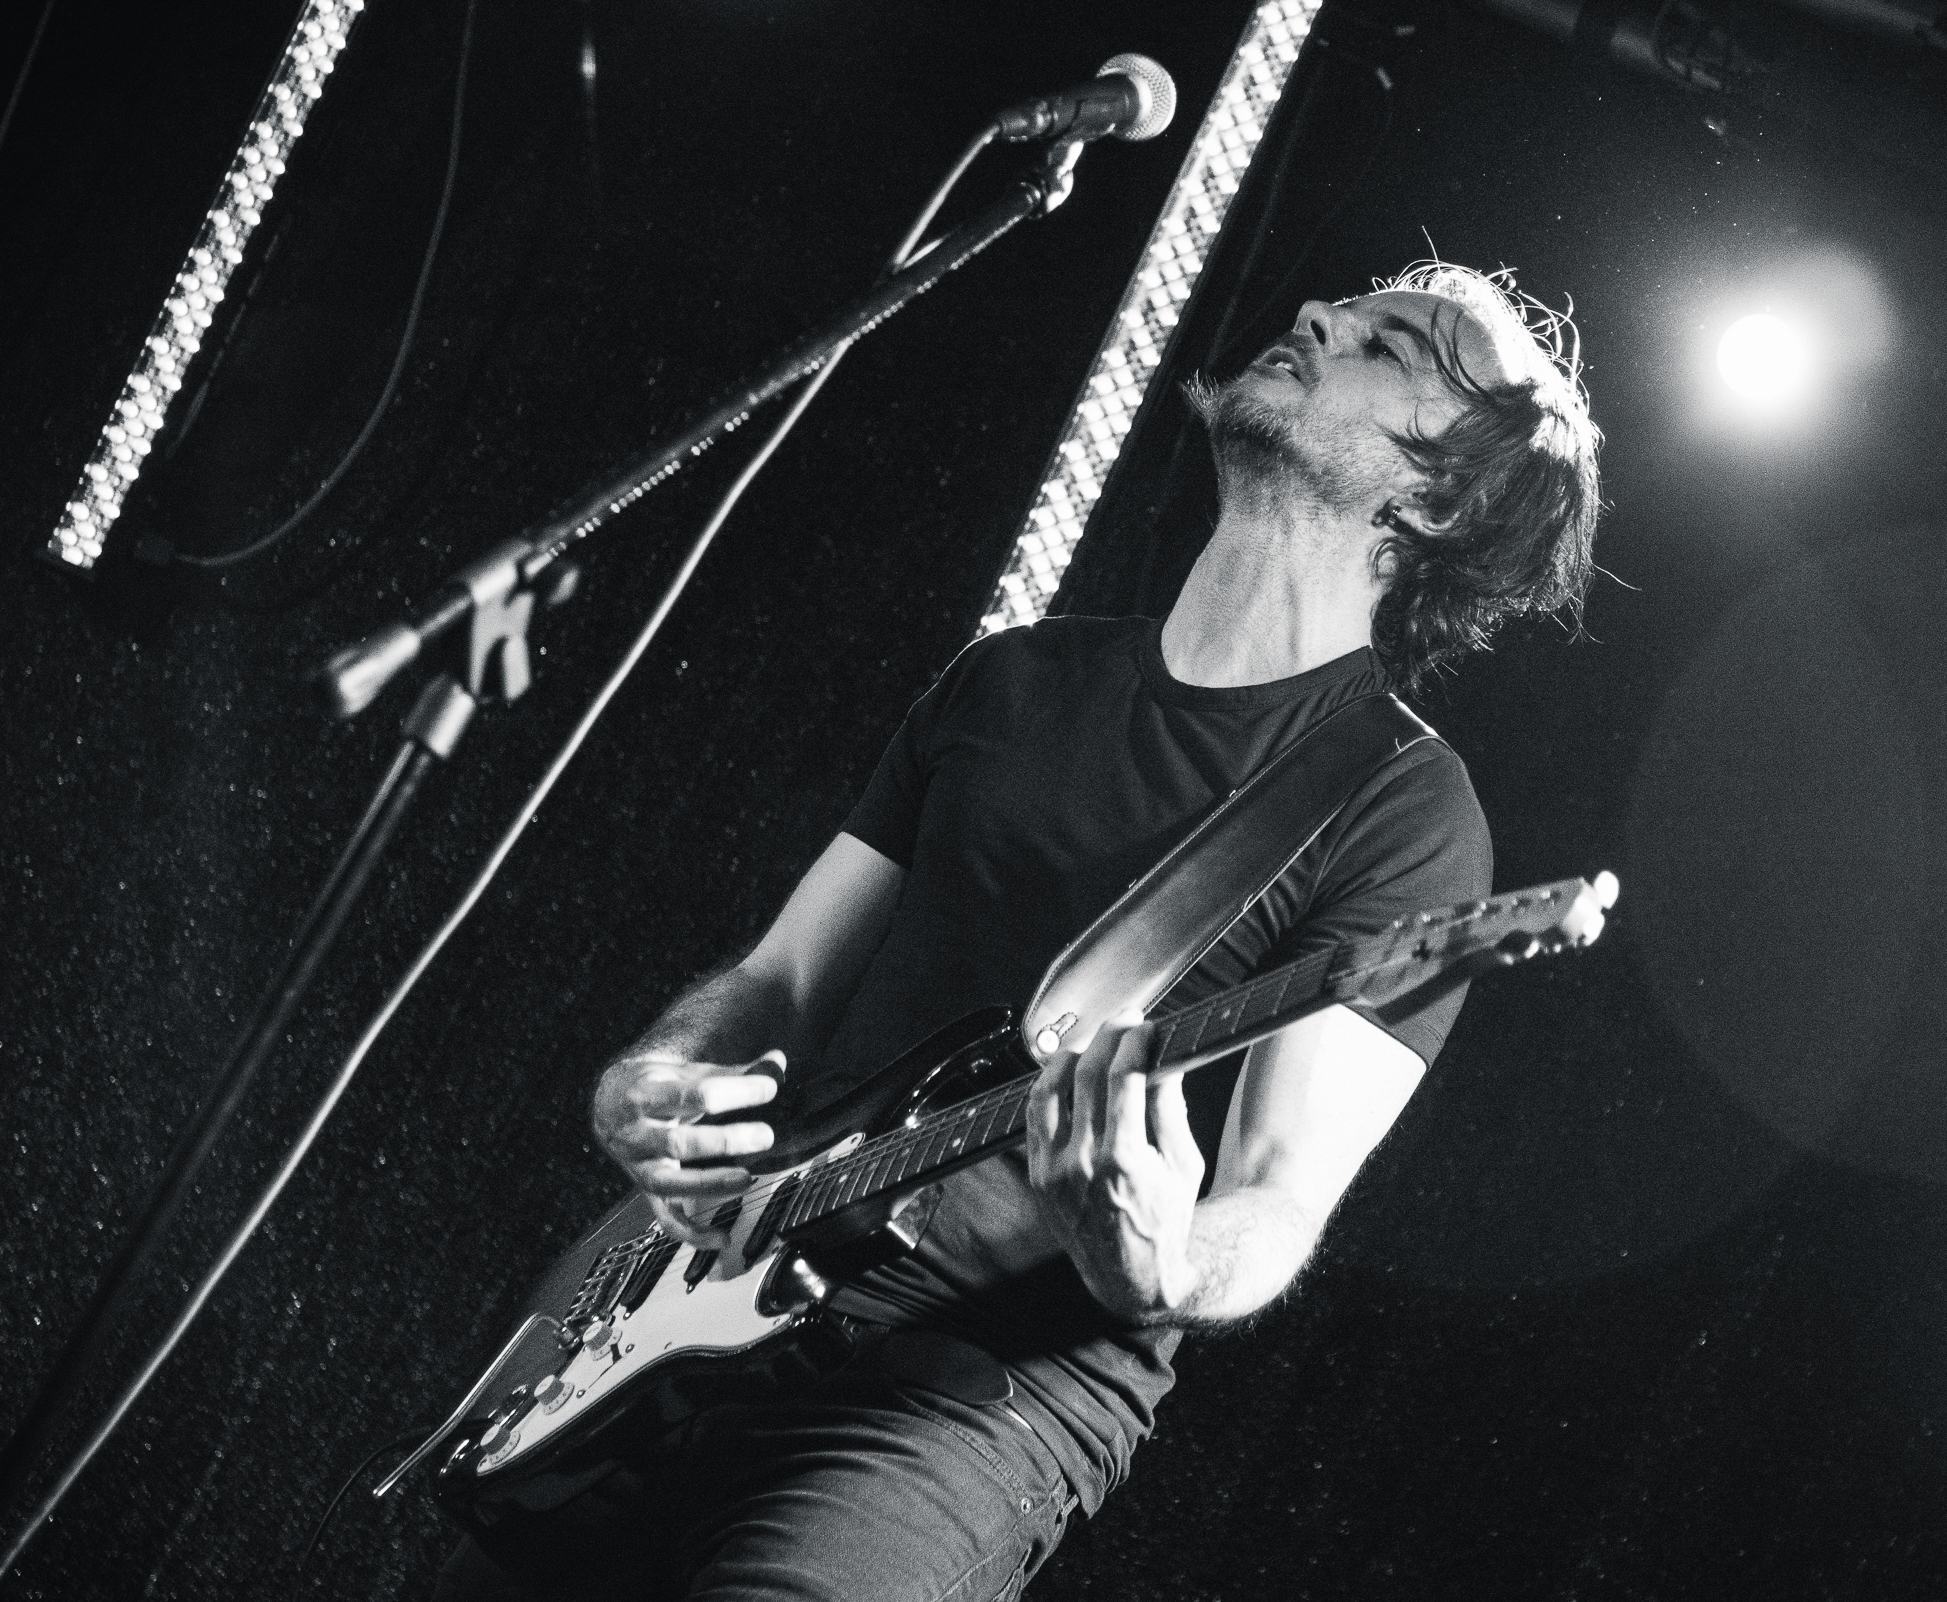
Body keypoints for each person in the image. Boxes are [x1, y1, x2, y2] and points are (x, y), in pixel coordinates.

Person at [434, 262, 1603, 1602]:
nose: (1321, 318)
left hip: (964, 1393)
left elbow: (1278, 1195)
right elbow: (780, 981)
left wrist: (1161, 1257)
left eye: (1390, 345)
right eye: (1343, 309)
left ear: (1443, 498)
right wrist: (658, 1076)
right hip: (690, 1298)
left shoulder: (1400, 804)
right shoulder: (1015, 674)